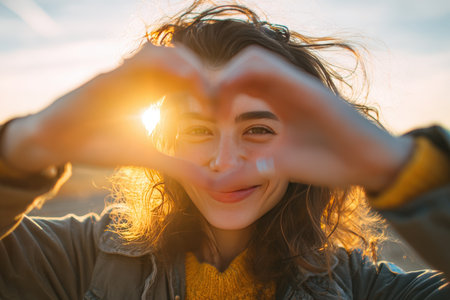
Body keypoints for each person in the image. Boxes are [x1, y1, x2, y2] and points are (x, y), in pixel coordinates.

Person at [0, 1, 449, 299]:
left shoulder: (362, 287)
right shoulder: (80, 257)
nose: (225, 161)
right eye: (198, 130)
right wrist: (24, 147)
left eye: (257, 130)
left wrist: (399, 169)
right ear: (165, 139)